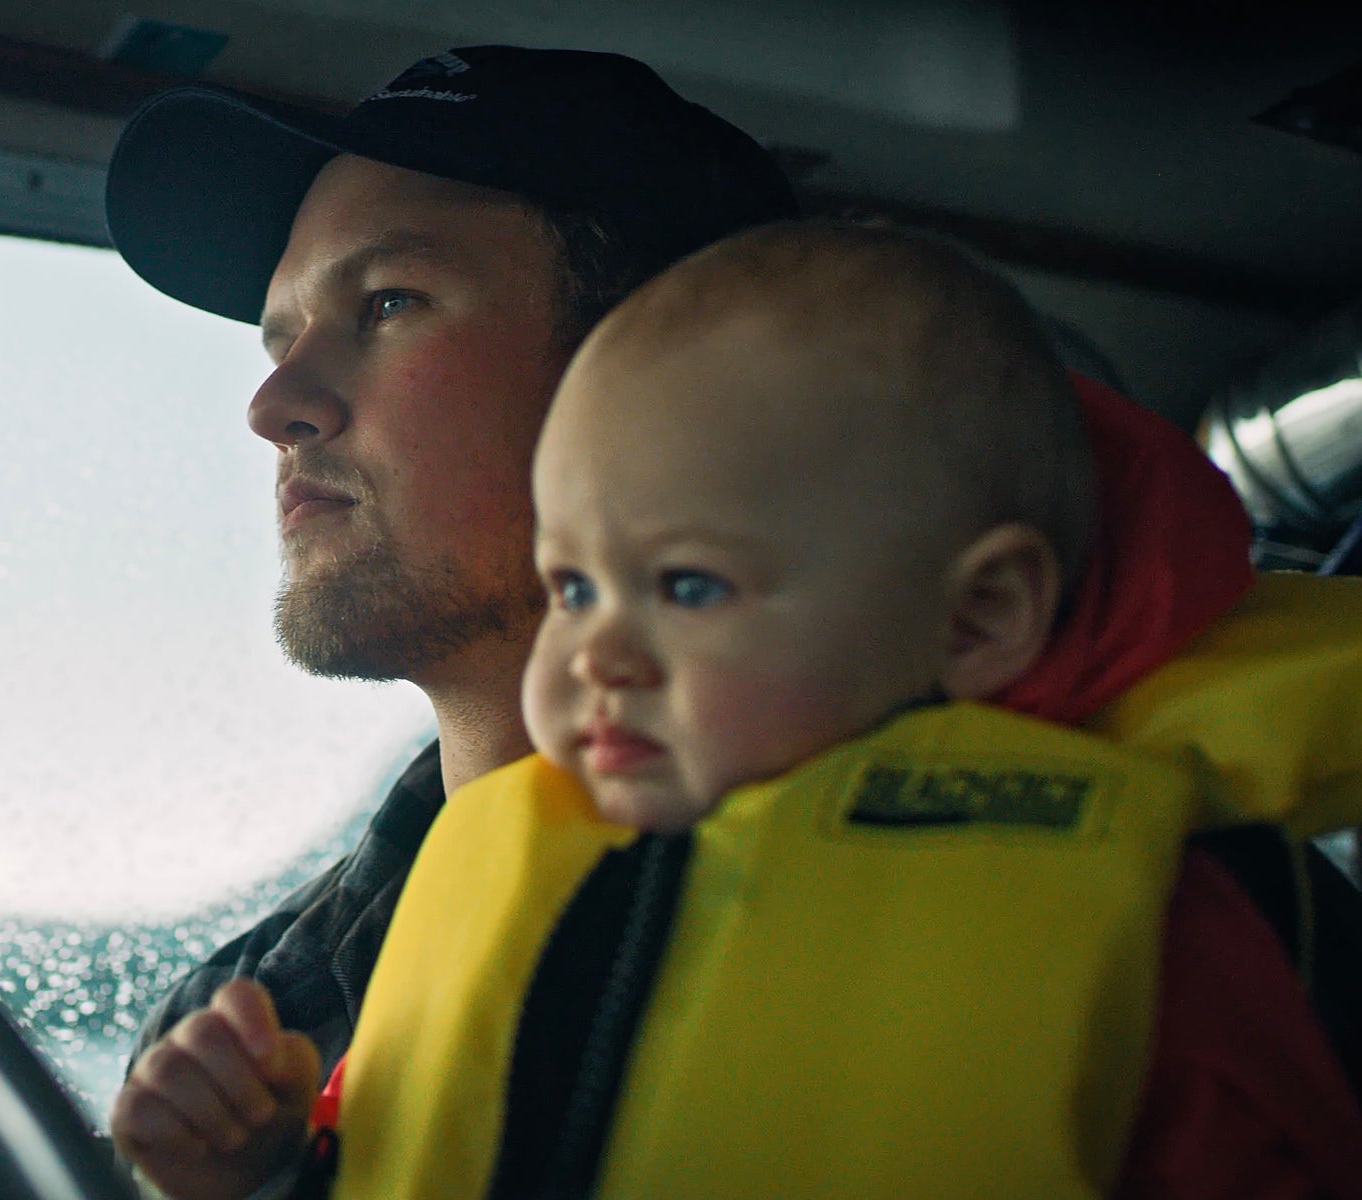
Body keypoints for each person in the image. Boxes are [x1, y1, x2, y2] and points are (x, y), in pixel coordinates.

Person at [102, 44, 1362, 1200]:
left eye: (386, 304)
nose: (274, 402)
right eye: (279, 337)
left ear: (669, 376)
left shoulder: (1160, 905)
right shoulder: (243, 1024)